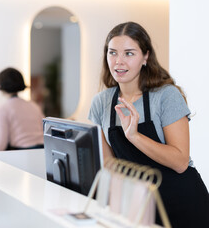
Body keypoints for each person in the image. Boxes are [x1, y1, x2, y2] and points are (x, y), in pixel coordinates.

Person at [88, 21, 209, 227]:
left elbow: (180, 162)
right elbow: (109, 167)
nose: (119, 61)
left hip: (182, 202)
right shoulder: (102, 102)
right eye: (112, 52)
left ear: (145, 56)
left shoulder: (165, 96)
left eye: (129, 53)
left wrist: (134, 136)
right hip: (139, 206)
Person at [0, 67, 44, 152]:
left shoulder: (3, 110)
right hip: (42, 152)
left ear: (1, 86)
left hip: (21, 155)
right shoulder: (34, 106)